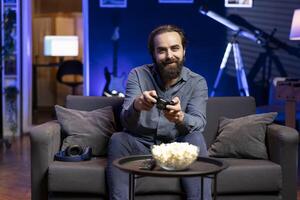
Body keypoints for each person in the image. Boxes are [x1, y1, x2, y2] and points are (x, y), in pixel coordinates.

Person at [106, 24, 211, 200]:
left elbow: (199, 122)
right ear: (153, 54)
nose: (169, 56)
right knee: (118, 139)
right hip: (140, 146)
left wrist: (180, 117)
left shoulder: (197, 82)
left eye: (175, 48)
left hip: (177, 148)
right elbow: (126, 122)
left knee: (196, 138)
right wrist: (136, 107)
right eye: (161, 50)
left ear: (184, 51)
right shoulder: (138, 75)